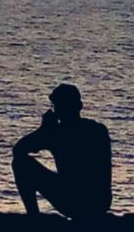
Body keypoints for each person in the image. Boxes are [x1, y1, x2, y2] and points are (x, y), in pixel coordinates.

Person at [11, 84, 112, 220]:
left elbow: (18, 150)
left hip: (73, 202)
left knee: (20, 163)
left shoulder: (56, 134)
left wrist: (43, 130)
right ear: (79, 106)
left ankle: (33, 217)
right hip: (100, 204)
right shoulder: (98, 130)